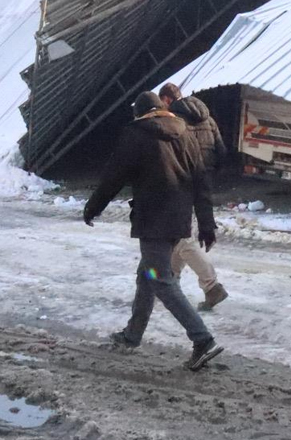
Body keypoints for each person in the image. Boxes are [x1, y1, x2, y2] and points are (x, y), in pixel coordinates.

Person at [83, 91, 224, 371]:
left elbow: (114, 177)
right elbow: (201, 182)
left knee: (160, 280)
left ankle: (202, 340)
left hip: (154, 220)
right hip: (178, 221)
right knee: (147, 274)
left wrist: (93, 207)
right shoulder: (185, 134)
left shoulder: (136, 134)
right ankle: (132, 336)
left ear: (140, 113)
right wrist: (206, 224)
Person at [157, 82, 229, 312]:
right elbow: (222, 151)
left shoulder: (174, 121)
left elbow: (169, 153)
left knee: (183, 237)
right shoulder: (208, 118)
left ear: (167, 100)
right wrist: (209, 172)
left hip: (182, 181)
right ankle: (170, 279)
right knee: (180, 233)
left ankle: (211, 286)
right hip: (203, 179)